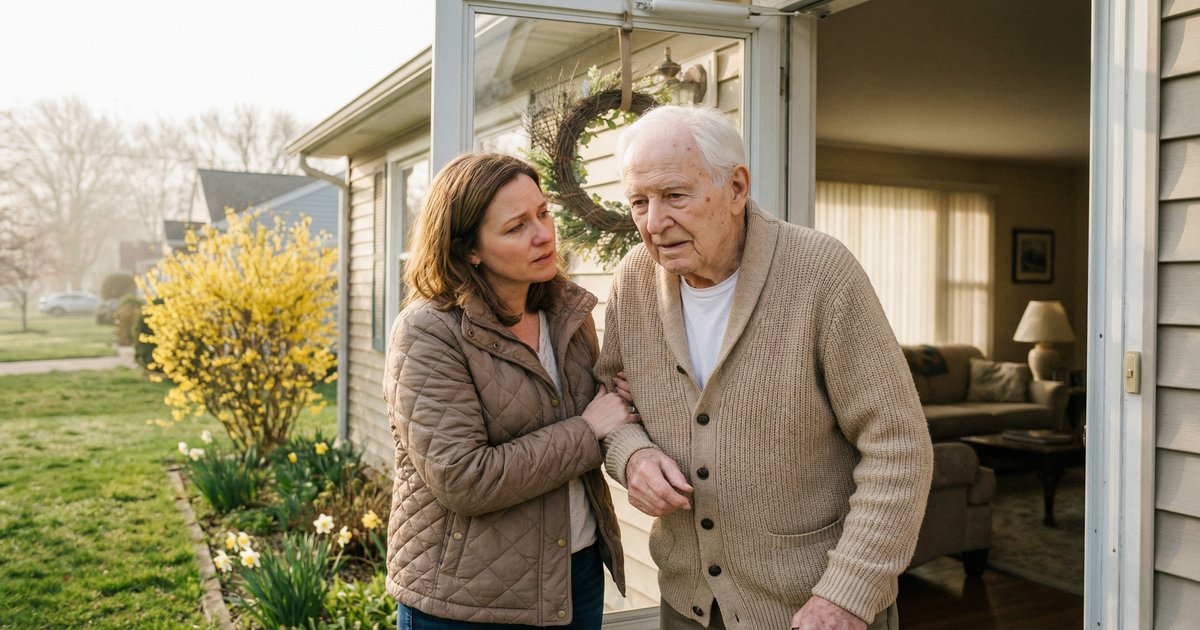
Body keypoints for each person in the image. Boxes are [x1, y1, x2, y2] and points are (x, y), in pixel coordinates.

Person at [595, 106, 934, 630]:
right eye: (639, 202)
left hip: (815, 608)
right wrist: (632, 457)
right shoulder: (633, 282)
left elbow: (899, 446)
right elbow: (610, 408)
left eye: (674, 196)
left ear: (736, 188)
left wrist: (848, 594)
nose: (653, 223)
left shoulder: (821, 272)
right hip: (688, 605)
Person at [383, 152, 637, 629]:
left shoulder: (567, 315)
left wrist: (630, 397)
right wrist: (587, 429)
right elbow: (464, 478)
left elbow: (604, 411)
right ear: (469, 250)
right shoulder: (428, 332)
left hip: (574, 573)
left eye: (542, 213)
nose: (543, 234)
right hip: (467, 601)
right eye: (516, 226)